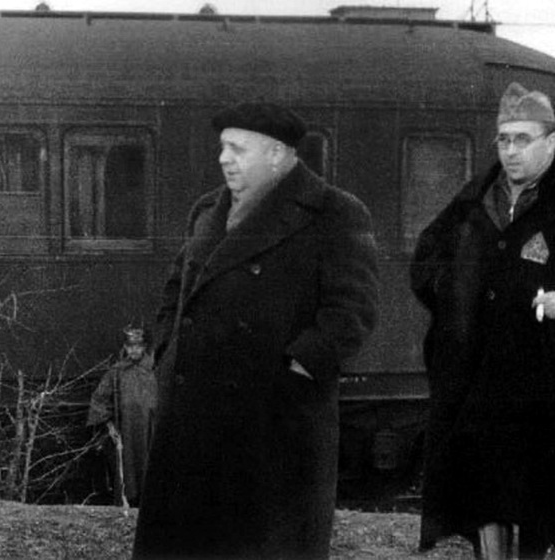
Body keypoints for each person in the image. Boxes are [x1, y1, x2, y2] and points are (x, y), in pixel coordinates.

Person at [132, 102, 379, 560]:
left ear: (277, 153)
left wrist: (297, 370)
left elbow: (353, 311)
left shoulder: (335, 213)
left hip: (275, 426)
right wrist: (168, 348)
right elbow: (176, 288)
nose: (224, 159)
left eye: (237, 149)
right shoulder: (207, 209)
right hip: (193, 418)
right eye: (222, 148)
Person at [411, 82, 555, 559]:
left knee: (550, 504)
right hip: (484, 379)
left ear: (551, 142)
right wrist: (457, 295)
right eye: (504, 139)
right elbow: (427, 258)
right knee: (486, 489)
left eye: (523, 139)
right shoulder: (476, 198)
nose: (510, 151)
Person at [86, 327, 157, 507]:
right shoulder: (117, 372)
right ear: (125, 347)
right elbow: (99, 400)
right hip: (126, 433)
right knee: (128, 471)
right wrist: (110, 426)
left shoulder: (154, 369)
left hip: (151, 431)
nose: (134, 350)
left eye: (138, 346)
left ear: (144, 347)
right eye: (130, 346)